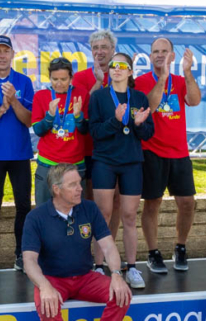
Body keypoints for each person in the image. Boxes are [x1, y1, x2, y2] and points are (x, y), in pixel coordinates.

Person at [22, 163, 132, 320]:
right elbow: (29, 261)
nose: (80, 188)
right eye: (72, 185)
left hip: (85, 277)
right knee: (47, 306)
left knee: (122, 294)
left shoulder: (90, 208)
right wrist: (44, 286)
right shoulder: (36, 218)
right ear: (56, 189)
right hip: (52, 279)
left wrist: (116, 274)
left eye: (79, 182)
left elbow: (108, 246)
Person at [134, 38, 202, 273]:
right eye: (155, 52)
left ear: (173, 56)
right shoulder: (141, 82)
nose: (160, 55)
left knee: (187, 203)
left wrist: (187, 72)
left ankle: (180, 247)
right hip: (152, 151)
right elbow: (149, 108)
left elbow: (194, 100)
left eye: (165, 51)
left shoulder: (182, 81)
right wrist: (162, 79)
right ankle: (153, 253)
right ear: (150, 56)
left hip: (179, 152)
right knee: (152, 204)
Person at [88, 52, 154, 288]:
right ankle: (98, 266)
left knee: (128, 216)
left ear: (129, 71)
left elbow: (148, 133)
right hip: (104, 161)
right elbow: (93, 132)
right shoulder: (98, 97)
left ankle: (133, 268)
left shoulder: (139, 97)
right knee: (103, 215)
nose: (116, 69)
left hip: (131, 163)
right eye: (113, 65)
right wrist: (116, 121)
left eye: (122, 66)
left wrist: (138, 125)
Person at [0, 35, 36, 277]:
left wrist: (13, 101)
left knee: (24, 205)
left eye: (6, 51)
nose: (1, 55)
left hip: (20, 153)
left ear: (12, 54)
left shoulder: (24, 81)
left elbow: (29, 120)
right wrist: (2, 107)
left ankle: (21, 255)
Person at [72, 30, 121, 246]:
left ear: (113, 50)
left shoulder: (122, 74)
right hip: (90, 149)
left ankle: (108, 247)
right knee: (92, 203)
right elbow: (81, 110)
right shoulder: (81, 77)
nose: (99, 52)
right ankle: (90, 251)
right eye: (95, 48)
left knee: (117, 201)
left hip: (117, 149)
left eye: (104, 47)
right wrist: (99, 84)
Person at [32, 57, 89, 205]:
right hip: (48, 164)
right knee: (44, 211)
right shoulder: (41, 96)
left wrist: (78, 117)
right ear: (49, 77)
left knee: (76, 212)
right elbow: (38, 130)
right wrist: (50, 116)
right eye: (54, 79)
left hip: (74, 163)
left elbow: (85, 130)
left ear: (71, 77)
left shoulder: (81, 95)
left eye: (63, 79)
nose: (58, 83)